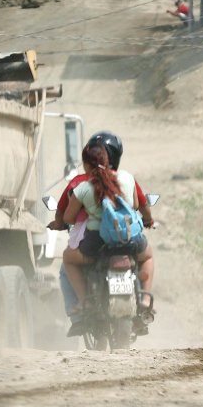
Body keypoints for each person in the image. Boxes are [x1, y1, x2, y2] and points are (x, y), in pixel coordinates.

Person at [47, 132, 154, 336]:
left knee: (68, 260)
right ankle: (146, 299)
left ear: (86, 164)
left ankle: (84, 302)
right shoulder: (127, 178)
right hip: (129, 239)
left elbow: (67, 217)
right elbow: (138, 205)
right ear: (110, 159)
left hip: (97, 243)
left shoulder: (82, 187)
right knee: (147, 255)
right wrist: (147, 219)